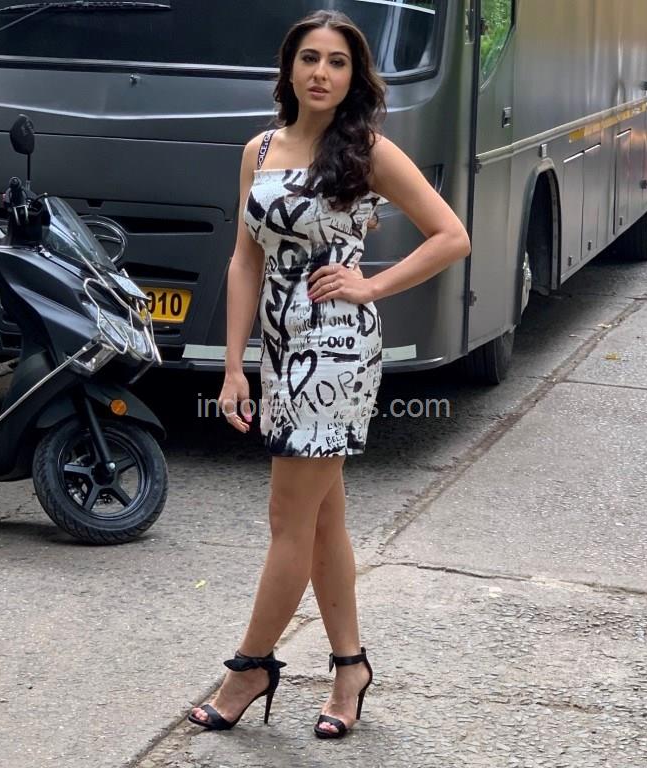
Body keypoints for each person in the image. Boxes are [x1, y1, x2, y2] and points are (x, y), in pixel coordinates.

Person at [188, 9, 470, 739]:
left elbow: (451, 236)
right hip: (281, 349)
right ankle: (350, 667)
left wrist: (371, 285)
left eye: (337, 62)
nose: (321, 72)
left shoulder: (367, 151)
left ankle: (251, 667)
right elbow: (244, 260)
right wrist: (234, 366)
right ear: (289, 68)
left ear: (354, 77)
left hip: (337, 348)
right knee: (322, 519)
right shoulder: (258, 149)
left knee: (289, 519)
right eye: (309, 58)